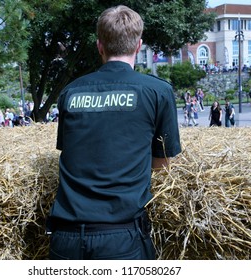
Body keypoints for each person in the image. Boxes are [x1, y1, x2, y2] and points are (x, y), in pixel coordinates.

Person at [47, 5, 181, 260]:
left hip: (64, 239)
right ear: (138, 46)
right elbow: (163, 165)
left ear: (100, 46)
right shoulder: (158, 92)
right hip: (121, 239)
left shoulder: (70, 92)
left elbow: (71, 153)